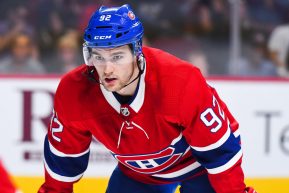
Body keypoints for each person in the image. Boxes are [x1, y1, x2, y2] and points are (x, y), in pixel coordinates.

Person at [38, 4, 257, 193]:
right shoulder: (74, 91)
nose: (107, 68)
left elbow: (221, 156)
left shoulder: (180, 82)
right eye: (98, 56)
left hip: (200, 166)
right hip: (140, 173)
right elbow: (62, 167)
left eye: (117, 56)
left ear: (137, 51)